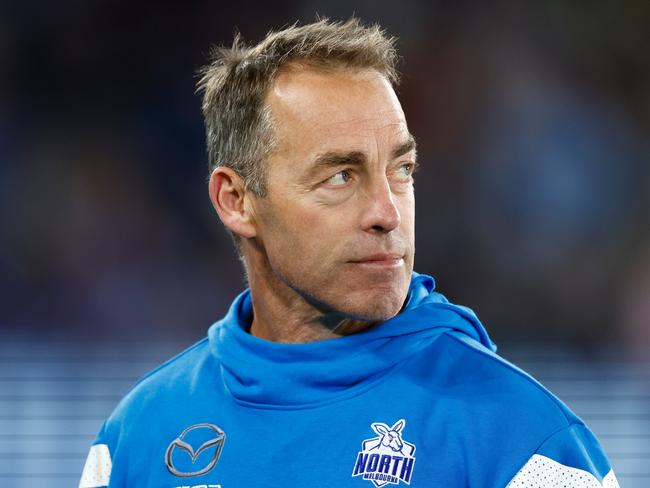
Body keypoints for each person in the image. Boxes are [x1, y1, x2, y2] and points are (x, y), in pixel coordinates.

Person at [79, 18, 619, 488]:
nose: (388, 212)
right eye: (341, 176)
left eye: (400, 170)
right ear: (236, 201)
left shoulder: (524, 444)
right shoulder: (136, 439)